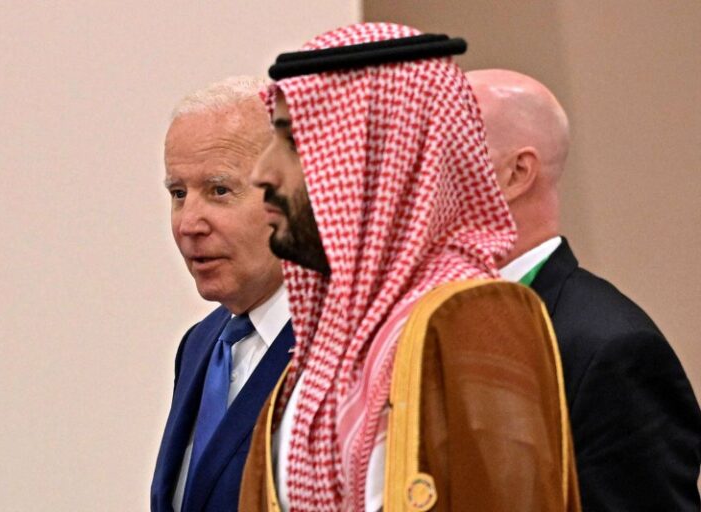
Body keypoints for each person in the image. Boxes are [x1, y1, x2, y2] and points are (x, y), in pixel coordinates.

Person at [242, 23, 580, 511]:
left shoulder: (471, 318)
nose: (261, 174)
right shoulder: (327, 347)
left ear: (381, 160)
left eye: (296, 144)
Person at [467, 68, 701, 510]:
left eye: (442, 157)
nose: (414, 185)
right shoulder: (436, 324)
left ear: (516, 173)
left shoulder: (610, 350)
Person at [150, 76, 293, 512]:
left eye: (219, 190)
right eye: (178, 193)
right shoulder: (200, 345)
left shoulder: (340, 349)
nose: (188, 223)